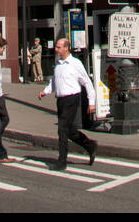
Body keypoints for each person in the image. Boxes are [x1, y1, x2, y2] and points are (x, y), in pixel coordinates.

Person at [39, 37, 97, 171]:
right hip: (61, 100)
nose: (56, 49)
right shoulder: (58, 64)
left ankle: (62, 161)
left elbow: (87, 82)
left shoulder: (75, 63)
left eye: (59, 47)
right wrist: (45, 91)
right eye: (56, 47)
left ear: (66, 48)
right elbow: (54, 81)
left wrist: (91, 102)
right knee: (68, 130)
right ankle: (90, 145)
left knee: (62, 129)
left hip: (72, 98)